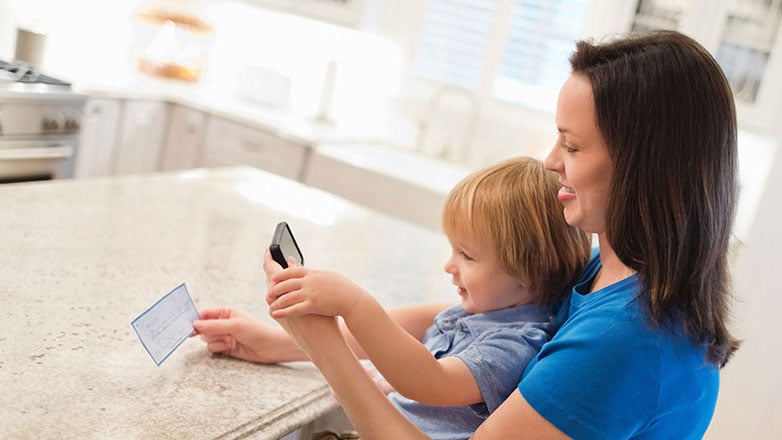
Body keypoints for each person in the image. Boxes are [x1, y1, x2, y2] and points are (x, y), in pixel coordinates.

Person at [258, 29, 741, 439]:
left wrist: (325, 344)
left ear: (643, 169)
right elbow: (456, 318)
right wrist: (283, 341)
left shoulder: (626, 341)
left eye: (572, 145)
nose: (552, 161)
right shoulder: (609, 271)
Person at [196, 157, 591, 439]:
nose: (449, 266)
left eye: (467, 256)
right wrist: (276, 344)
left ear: (529, 273)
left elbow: (429, 381)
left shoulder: (514, 343)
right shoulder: (485, 312)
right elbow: (400, 333)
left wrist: (353, 304)